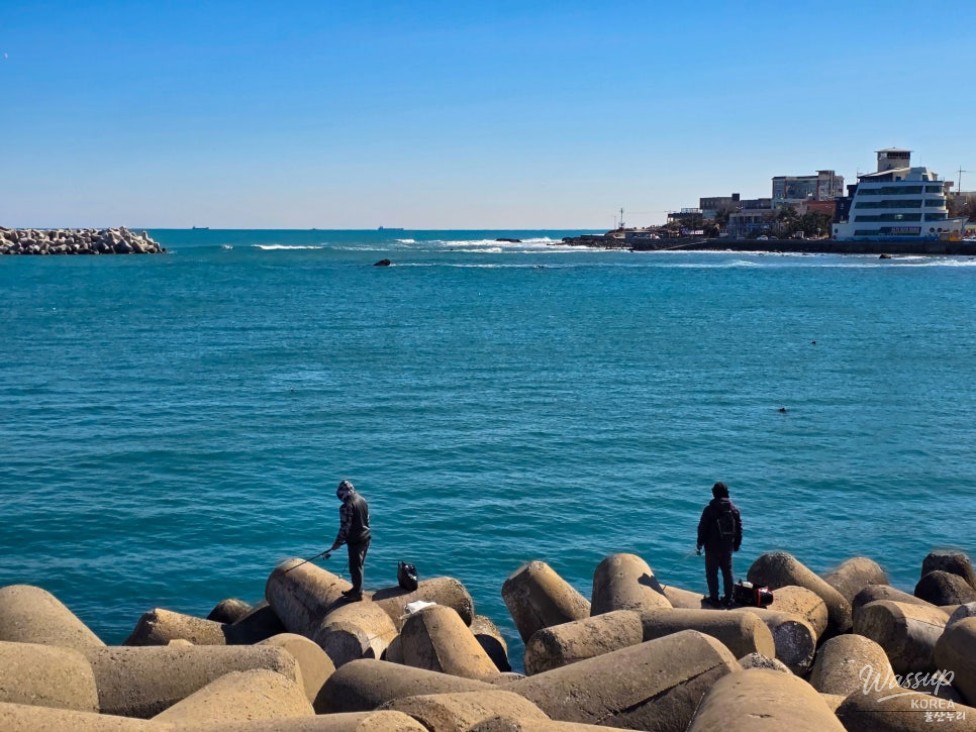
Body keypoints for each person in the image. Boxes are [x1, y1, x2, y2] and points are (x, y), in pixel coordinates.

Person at [696, 481, 742, 608]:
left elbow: (702, 528)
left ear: (714, 494)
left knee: (712, 573)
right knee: (727, 572)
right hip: (727, 547)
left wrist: (699, 543)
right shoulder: (734, 510)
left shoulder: (709, 510)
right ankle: (728, 599)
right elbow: (739, 529)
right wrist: (736, 544)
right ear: (727, 493)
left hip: (712, 547)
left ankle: (714, 599)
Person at [324, 479, 371, 601]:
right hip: (366, 537)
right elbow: (367, 519)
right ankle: (357, 589)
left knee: (355, 567)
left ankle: (357, 594)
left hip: (356, 541)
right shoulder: (362, 500)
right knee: (359, 565)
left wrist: (337, 543)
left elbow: (345, 528)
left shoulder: (346, 507)